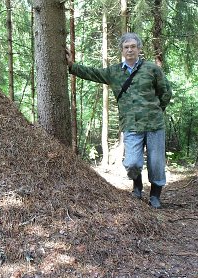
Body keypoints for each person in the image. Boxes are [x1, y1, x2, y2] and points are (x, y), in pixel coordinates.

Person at [66, 32, 172, 208]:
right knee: (132, 163)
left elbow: (166, 92)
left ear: (139, 49)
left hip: (155, 124)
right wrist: (71, 65)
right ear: (122, 50)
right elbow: (93, 73)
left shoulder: (152, 69)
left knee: (156, 163)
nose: (130, 50)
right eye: (126, 47)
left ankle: (155, 196)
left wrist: (156, 110)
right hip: (130, 125)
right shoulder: (114, 72)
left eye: (133, 46)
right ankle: (137, 186)